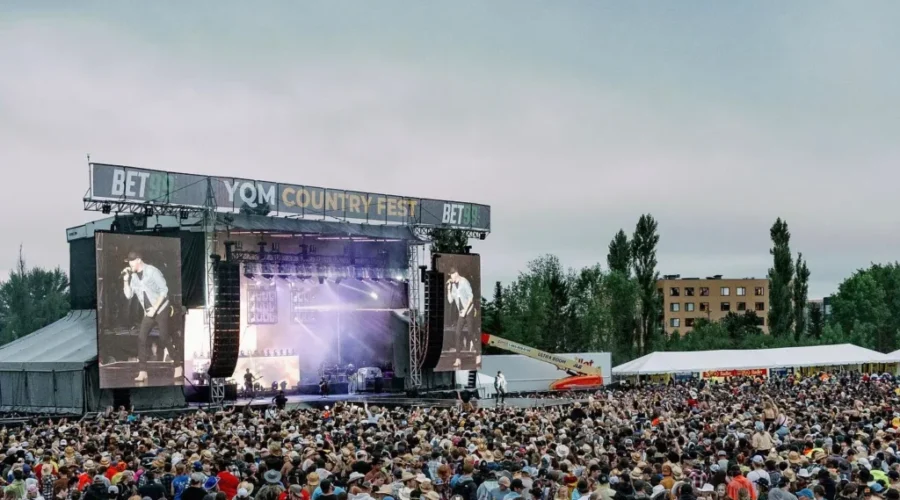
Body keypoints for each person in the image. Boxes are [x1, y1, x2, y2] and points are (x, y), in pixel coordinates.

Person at [121, 250, 182, 383]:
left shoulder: (152, 271)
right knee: (141, 338)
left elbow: (164, 291)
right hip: (148, 312)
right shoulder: (134, 276)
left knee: (164, 338)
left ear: (138, 260)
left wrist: (155, 308)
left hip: (161, 308)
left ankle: (177, 365)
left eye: (131, 261)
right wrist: (126, 280)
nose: (129, 265)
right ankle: (143, 371)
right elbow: (128, 295)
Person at [446, 267, 476, 363]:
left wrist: (465, 310)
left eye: (452, 276)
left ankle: (477, 349)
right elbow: (450, 300)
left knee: (470, 332)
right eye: (450, 276)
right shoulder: (453, 285)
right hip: (461, 312)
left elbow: (471, 298)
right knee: (457, 333)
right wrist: (449, 289)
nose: (451, 278)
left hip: (469, 310)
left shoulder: (464, 282)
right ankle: (458, 358)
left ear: (456, 273)